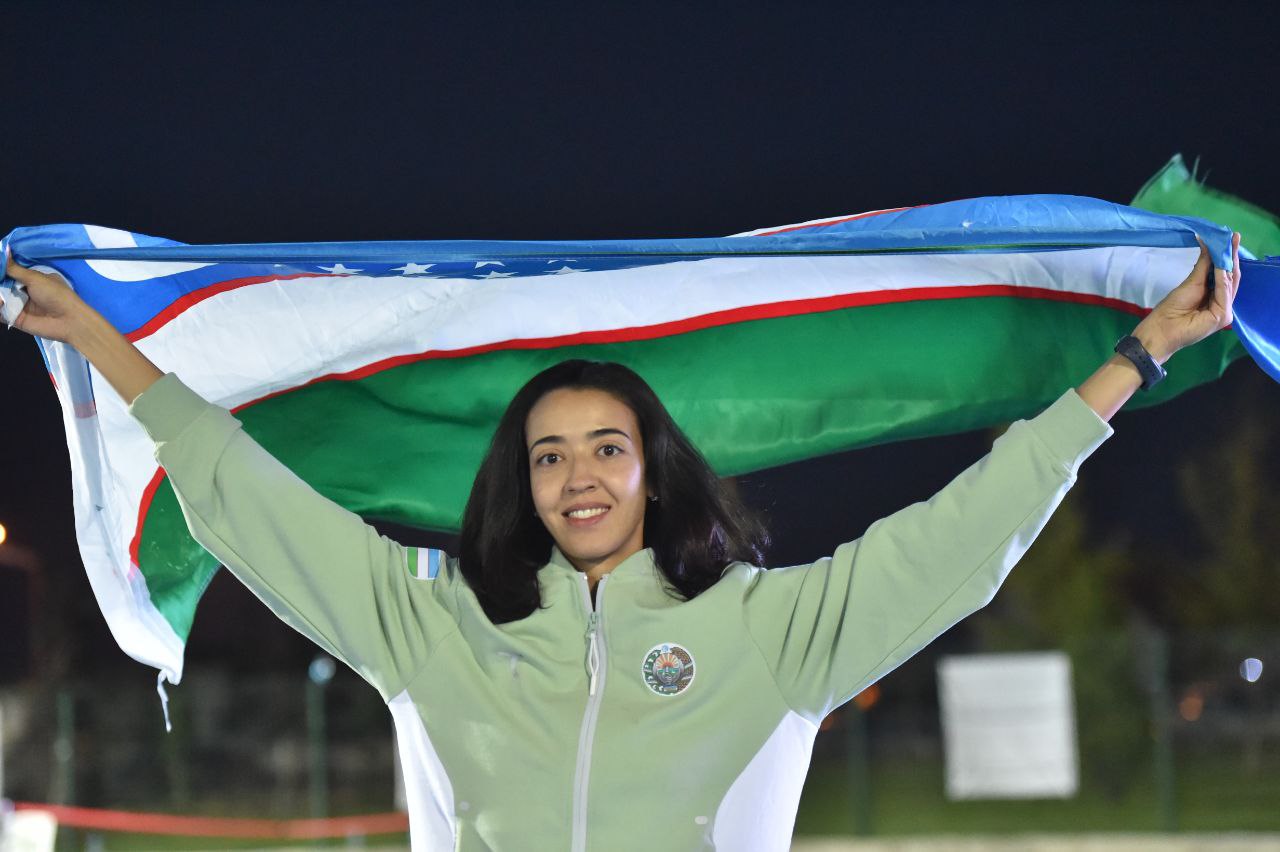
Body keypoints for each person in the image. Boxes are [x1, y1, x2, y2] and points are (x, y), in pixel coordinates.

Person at [1, 233, 1242, 851]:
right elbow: (252, 503)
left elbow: (961, 534)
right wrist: (104, 344)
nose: (577, 475)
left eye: (605, 447)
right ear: (522, 483)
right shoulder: (434, 628)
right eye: (548, 455)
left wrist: (1132, 361)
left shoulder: (770, 630)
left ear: (651, 469)